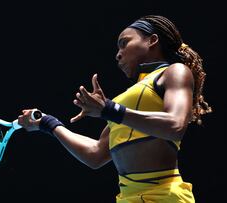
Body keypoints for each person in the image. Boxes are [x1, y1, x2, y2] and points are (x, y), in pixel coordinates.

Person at [18, 15, 212, 202]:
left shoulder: (174, 71)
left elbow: (175, 125)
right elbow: (96, 154)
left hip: (164, 195)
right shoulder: (125, 101)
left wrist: (110, 110)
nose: (118, 54)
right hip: (128, 199)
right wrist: (48, 123)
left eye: (124, 43)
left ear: (152, 40)